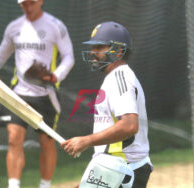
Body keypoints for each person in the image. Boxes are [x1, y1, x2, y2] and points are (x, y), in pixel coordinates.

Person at [0, 0, 74, 188]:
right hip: (18, 95)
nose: (28, 7)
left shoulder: (56, 26)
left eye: (31, 3)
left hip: (46, 95)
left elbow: (69, 57)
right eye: (23, 4)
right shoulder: (14, 27)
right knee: (14, 138)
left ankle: (45, 185)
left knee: (47, 142)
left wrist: (56, 76)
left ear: (40, 1)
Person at [61, 21, 152, 188]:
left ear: (118, 51)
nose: (93, 52)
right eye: (93, 47)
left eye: (99, 47)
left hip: (123, 168)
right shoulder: (115, 77)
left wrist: (86, 141)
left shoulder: (121, 78)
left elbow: (129, 125)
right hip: (111, 167)